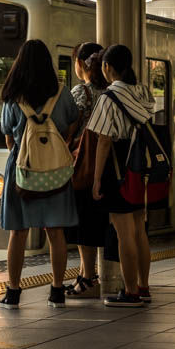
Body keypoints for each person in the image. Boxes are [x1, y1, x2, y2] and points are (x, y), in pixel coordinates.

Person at [0, 39, 79, 308]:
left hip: (22, 171)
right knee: (55, 232)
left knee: (18, 233)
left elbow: (8, 137)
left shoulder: (13, 96)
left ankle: (13, 292)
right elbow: (71, 127)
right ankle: (56, 290)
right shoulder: (62, 93)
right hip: (55, 171)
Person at [88, 44, 155, 308]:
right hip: (140, 168)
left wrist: (96, 179)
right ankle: (143, 286)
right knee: (139, 230)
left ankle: (130, 292)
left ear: (107, 67)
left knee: (124, 232)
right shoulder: (143, 92)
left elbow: (103, 140)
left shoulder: (108, 98)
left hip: (118, 169)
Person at [65, 42, 108, 298]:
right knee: (97, 223)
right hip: (106, 164)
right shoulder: (110, 92)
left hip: (83, 163)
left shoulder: (81, 92)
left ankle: (88, 277)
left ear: (80, 64)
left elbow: (70, 129)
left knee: (84, 225)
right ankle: (85, 275)